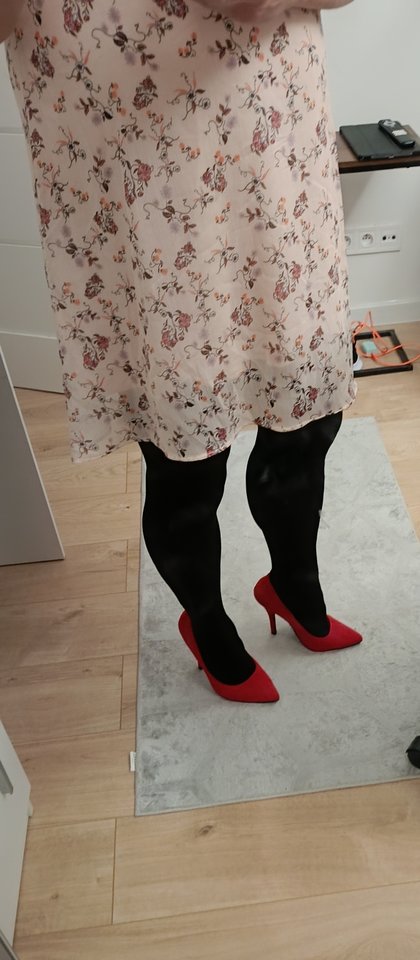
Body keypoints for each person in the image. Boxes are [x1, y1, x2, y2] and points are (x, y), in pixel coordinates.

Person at [2, 0, 362, 705]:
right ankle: (208, 624)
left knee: (308, 419)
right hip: (131, 166)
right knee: (185, 455)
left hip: (273, 142)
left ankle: (294, 584)